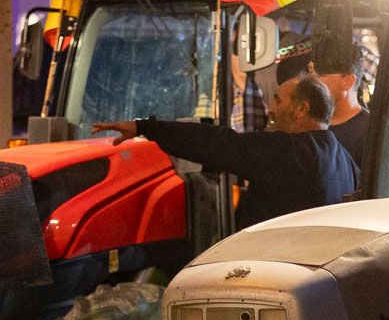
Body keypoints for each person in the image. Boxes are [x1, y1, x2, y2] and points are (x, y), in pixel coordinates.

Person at [94, 72, 360, 229]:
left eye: (278, 101)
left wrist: (146, 128)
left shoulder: (291, 151)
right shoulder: (345, 161)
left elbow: (220, 144)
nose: (272, 109)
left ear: (302, 109)